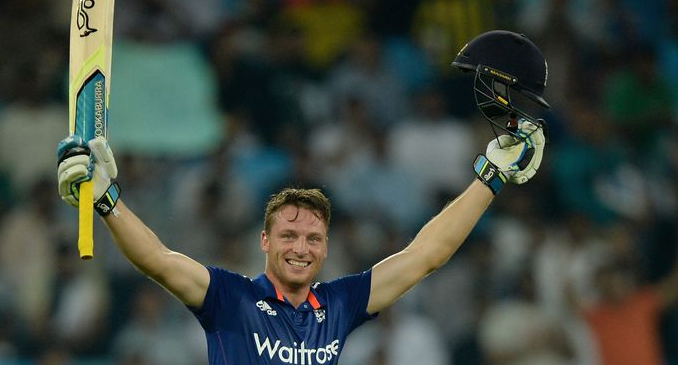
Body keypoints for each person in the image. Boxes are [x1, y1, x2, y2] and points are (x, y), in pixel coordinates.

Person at [56, 30, 549, 364]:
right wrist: (106, 198)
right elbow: (158, 260)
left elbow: (427, 255)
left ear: (326, 248)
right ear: (265, 241)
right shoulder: (231, 298)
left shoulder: (338, 305)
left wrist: (489, 177)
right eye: (289, 234)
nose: (301, 246)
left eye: (313, 237)